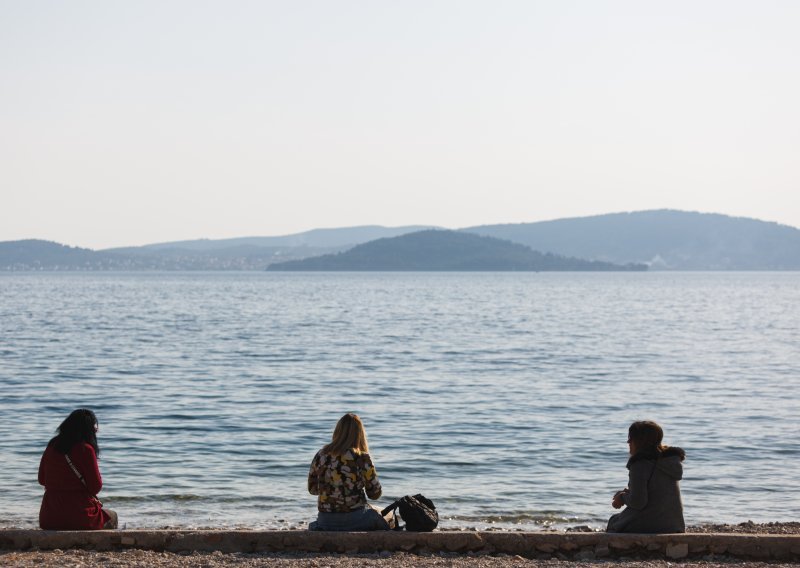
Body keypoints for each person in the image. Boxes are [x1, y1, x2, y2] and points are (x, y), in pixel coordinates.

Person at [307, 413, 392, 531]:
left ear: (337, 431)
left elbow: (313, 490)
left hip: (325, 520)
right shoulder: (361, 457)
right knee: (388, 516)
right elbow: (375, 494)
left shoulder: (321, 454)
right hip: (354, 519)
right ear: (359, 434)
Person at [38, 409, 118, 530]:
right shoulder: (86, 449)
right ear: (88, 430)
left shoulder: (52, 445)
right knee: (113, 516)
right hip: (81, 515)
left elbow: (42, 479)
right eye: (94, 428)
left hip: (49, 517)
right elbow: (95, 487)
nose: (96, 431)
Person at [607, 420, 685, 533]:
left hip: (650, 525)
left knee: (614, 521)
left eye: (631, 437)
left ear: (640, 441)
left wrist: (622, 498)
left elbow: (638, 502)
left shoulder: (640, 464)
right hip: (674, 525)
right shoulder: (669, 461)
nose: (628, 441)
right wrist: (628, 493)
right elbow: (656, 494)